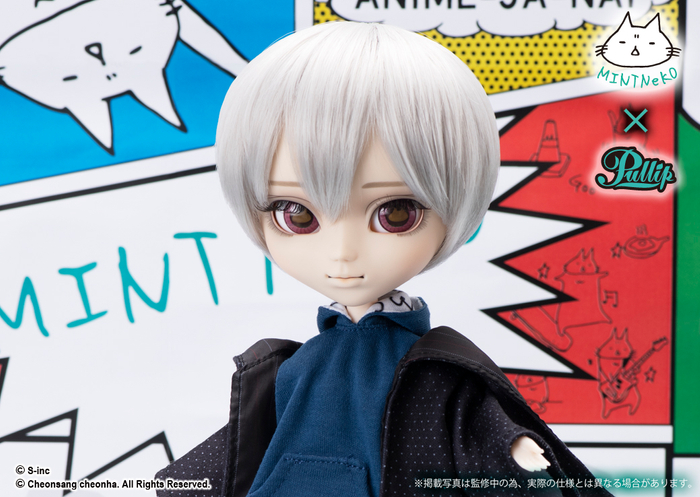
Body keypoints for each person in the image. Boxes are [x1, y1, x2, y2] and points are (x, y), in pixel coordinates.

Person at [156, 21, 610, 497]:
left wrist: (509, 445)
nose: (343, 253)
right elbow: (241, 444)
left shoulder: (430, 370)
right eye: (298, 215)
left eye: (395, 214)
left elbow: (469, 421)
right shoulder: (300, 367)